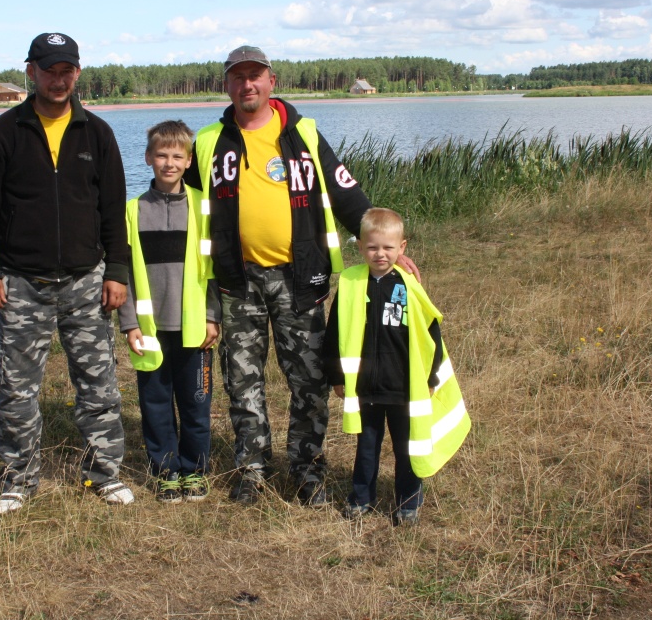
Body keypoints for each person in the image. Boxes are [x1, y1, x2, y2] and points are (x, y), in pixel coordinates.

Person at [184, 45, 417, 505]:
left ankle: (307, 470)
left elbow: (346, 194)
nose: (247, 84)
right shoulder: (209, 141)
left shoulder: (303, 133)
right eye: (238, 77)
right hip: (237, 281)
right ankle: (252, 470)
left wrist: (383, 245)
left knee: (309, 381)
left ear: (271, 81)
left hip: (299, 280)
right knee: (242, 381)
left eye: (255, 75)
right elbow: (185, 207)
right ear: (226, 85)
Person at [0, 32, 133, 514]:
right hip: (21, 282)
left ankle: (104, 474)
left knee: (99, 386)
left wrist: (117, 271)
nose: (58, 80)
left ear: (77, 73)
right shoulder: (5, 131)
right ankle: (18, 479)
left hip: (87, 281)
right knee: (16, 389)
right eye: (49, 71)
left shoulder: (97, 133)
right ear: (31, 72)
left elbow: (113, 209)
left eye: (66, 71)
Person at [323, 208, 470, 524]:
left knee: (407, 448)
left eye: (388, 247)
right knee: (366, 447)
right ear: (360, 247)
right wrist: (337, 376)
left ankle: (408, 502)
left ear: (402, 248)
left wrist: (431, 377)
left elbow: (430, 333)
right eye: (372, 247)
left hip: (404, 386)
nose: (380, 254)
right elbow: (334, 331)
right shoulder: (349, 283)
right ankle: (361, 498)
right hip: (365, 388)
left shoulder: (409, 285)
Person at [117, 120, 221, 503]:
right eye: (161, 155)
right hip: (150, 331)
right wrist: (130, 323)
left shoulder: (203, 207)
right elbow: (123, 273)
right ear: (148, 157)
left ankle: (195, 471)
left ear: (189, 160)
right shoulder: (132, 211)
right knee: (156, 405)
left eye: (178, 156)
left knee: (196, 404)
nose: (169, 163)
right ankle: (166, 473)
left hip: (195, 330)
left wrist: (213, 315)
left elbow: (215, 270)